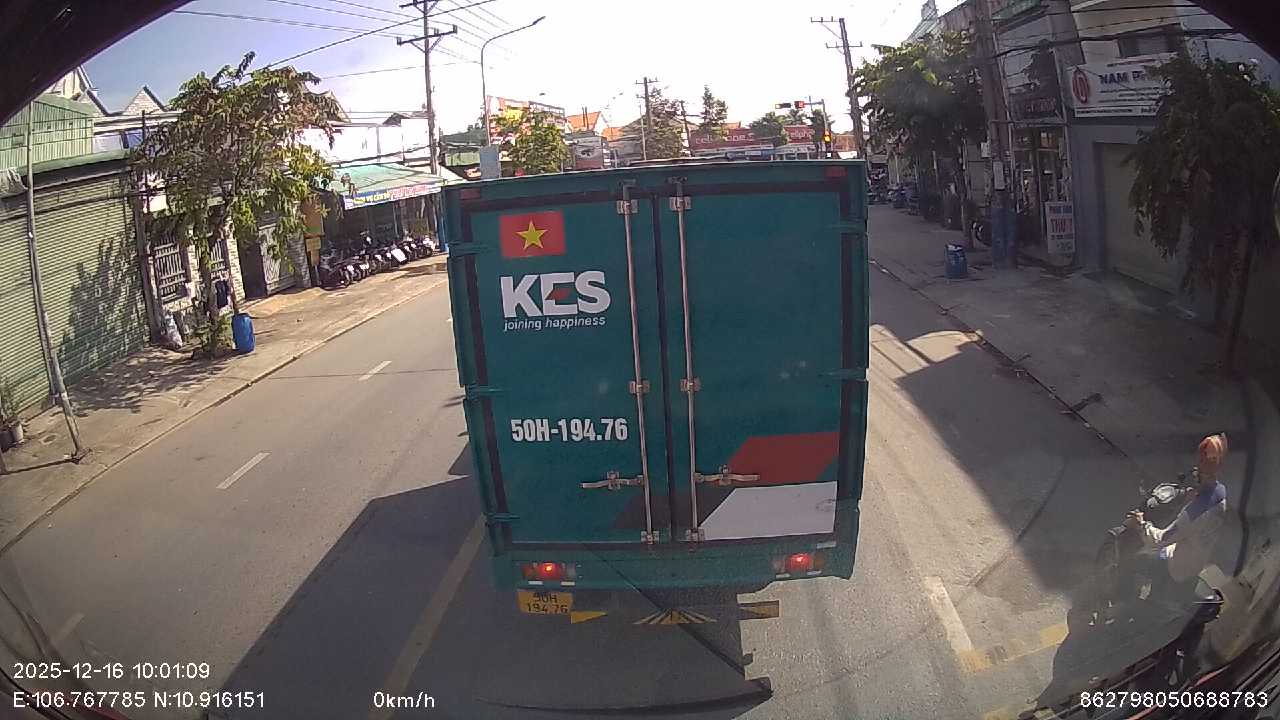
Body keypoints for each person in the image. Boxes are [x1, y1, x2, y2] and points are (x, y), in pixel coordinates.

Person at [1127, 433, 1229, 602]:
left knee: (1137, 559)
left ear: (1202, 462)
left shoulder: (1194, 512)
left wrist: (1141, 525)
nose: (1197, 464)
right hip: (1196, 557)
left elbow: (1161, 539)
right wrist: (1193, 494)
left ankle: (1135, 604)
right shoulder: (1220, 492)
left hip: (1177, 567)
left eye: (1200, 460)